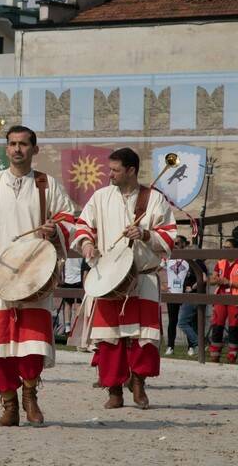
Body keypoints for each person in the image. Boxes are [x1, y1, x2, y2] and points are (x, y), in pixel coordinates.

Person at [0, 125, 75, 426]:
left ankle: (30, 395)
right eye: (12, 144)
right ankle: (9, 404)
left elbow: (69, 219)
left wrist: (54, 230)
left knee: (31, 345)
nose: (17, 149)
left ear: (34, 149)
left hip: (35, 275)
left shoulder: (47, 185)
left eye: (23, 144)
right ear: (6, 149)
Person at [74, 147, 176, 409]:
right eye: (110, 169)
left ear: (131, 170)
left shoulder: (154, 199)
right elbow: (84, 226)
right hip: (110, 277)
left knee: (143, 338)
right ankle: (114, 389)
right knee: (110, 338)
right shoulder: (100, 197)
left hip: (142, 277)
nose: (110, 175)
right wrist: (87, 244)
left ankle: (139, 383)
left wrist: (144, 235)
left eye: (115, 170)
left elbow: (168, 235)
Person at [164, 235, 199, 355]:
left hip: (185, 294)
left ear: (184, 244)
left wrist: (192, 286)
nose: (175, 246)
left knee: (187, 321)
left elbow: (198, 274)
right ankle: (170, 346)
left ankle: (191, 346)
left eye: (178, 243)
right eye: (174, 243)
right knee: (172, 321)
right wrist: (164, 285)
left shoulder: (188, 258)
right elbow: (155, 269)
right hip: (172, 294)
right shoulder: (169, 257)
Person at [175, 236, 208, 357]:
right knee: (193, 323)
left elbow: (204, 278)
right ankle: (199, 345)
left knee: (182, 322)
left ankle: (199, 343)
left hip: (194, 296)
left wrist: (192, 287)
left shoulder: (198, 263)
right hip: (191, 296)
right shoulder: (192, 263)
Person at [208, 238, 238, 363]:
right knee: (217, 324)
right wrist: (216, 280)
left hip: (234, 298)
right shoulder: (220, 262)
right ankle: (215, 353)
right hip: (220, 296)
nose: (225, 250)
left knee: (234, 326)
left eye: (228, 247)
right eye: (224, 247)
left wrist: (228, 282)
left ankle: (232, 354)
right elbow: (212, 279)